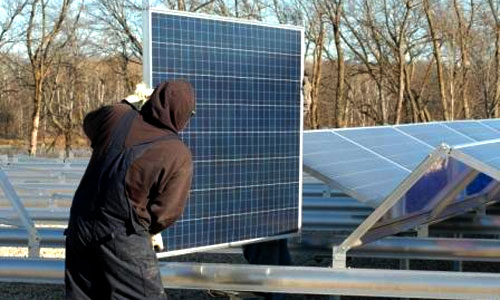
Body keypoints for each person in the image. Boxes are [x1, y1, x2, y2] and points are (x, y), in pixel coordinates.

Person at [65, 80, 196, 300]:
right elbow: (166, 213)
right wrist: (144, 227)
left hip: (80, 225)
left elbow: (90, 122)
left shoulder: (117, 116)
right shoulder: (177, 152)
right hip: (123, 234)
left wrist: (127, 104)